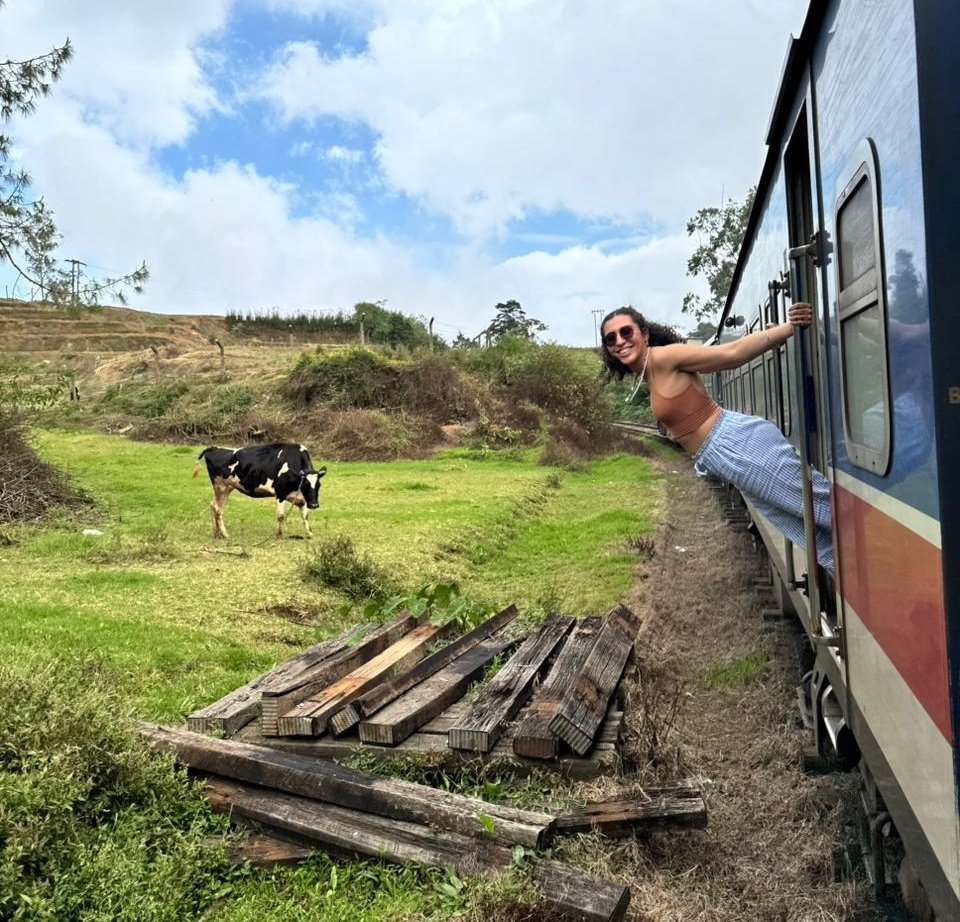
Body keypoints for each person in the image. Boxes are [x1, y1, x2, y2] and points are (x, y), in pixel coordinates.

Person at [600, 303, 834, 572]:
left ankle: (885, 550)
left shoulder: (664, 357)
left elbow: (730, 354)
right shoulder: (648, 371)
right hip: (727, 456)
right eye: (611, 338)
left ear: (644, 334)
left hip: (737, 445)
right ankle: (872, 576)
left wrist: (789, 329)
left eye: (626, 332)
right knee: (808, 531)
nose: (620, 341)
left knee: (825, 509)